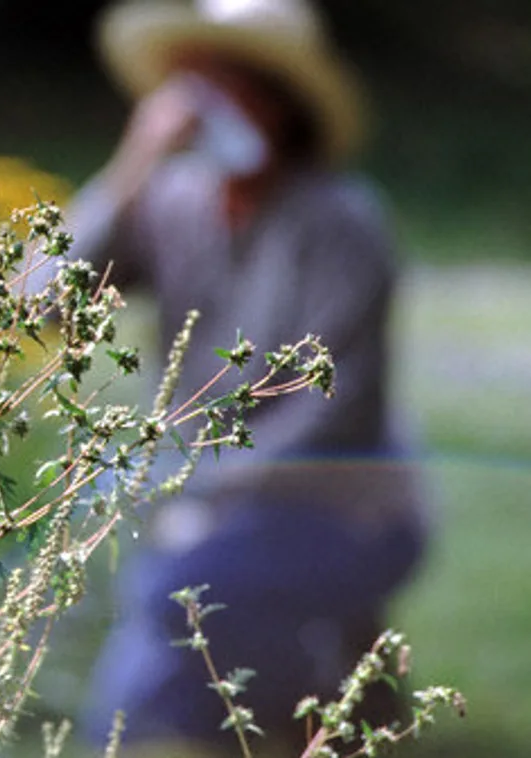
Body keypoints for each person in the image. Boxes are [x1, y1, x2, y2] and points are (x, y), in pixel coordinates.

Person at [21, 0, 430, 753]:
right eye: (194, 86)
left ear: (282, 105)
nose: (206, 107)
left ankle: (141, 738)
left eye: (233, 85)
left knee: (181, 591)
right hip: (212, 499)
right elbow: (36, 303)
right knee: (174, 593)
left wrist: (192, 493)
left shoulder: (342, 223)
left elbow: (331, 416)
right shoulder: (171, 202)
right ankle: (327, 701)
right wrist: (131, 165)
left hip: (345, 509)